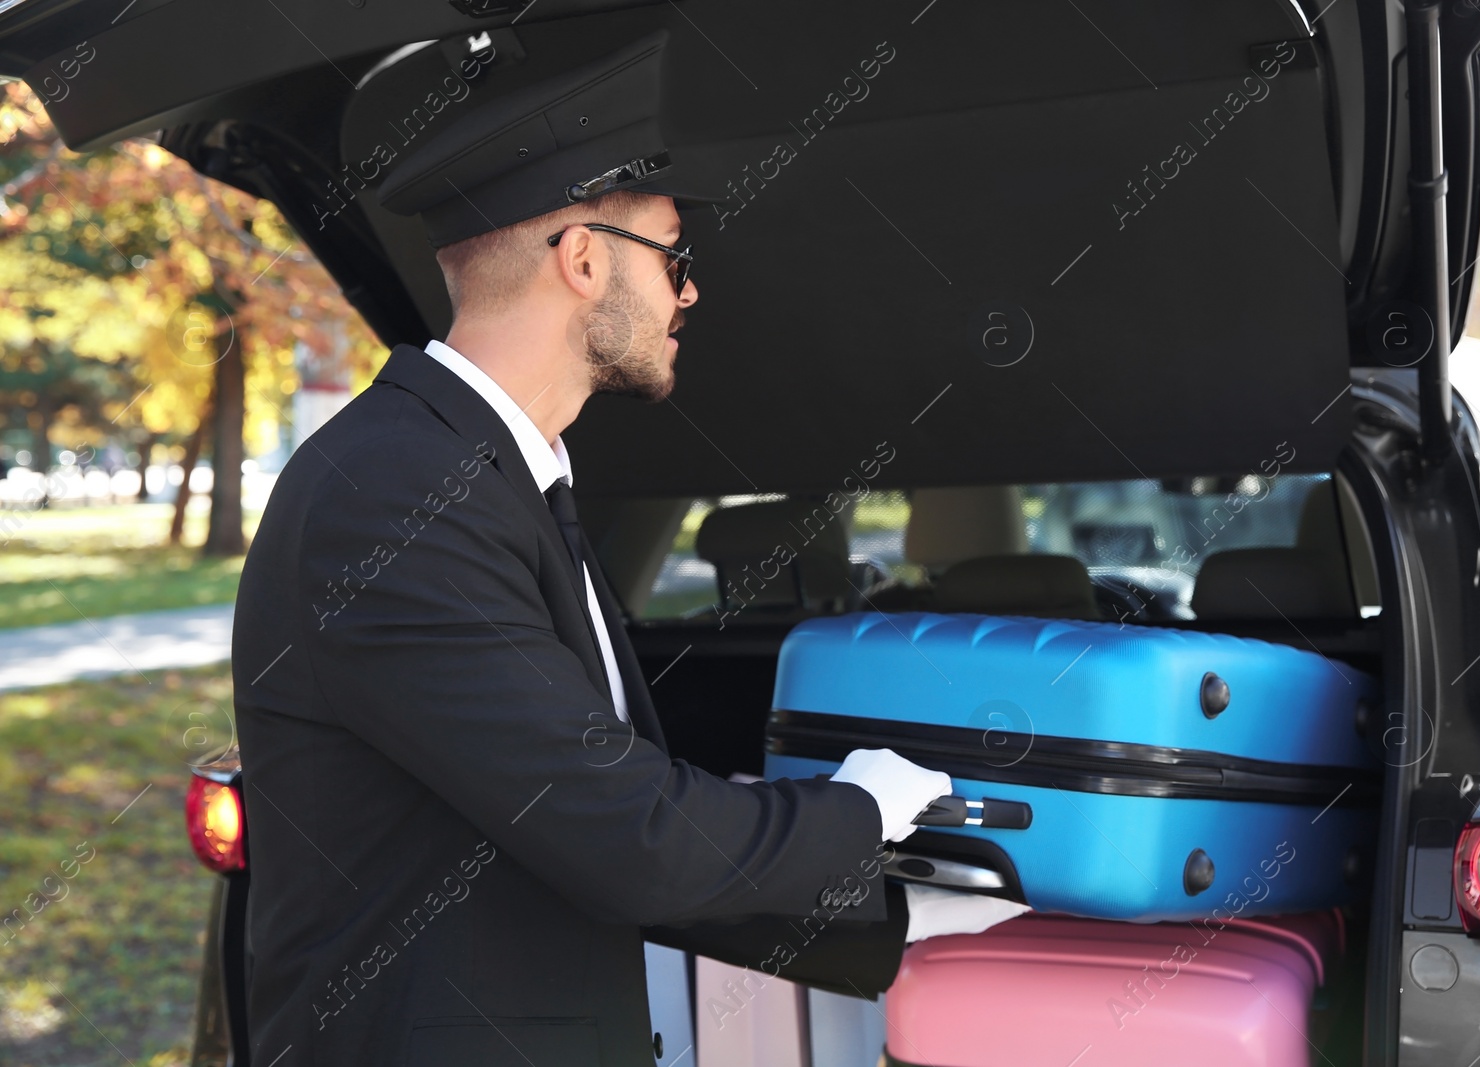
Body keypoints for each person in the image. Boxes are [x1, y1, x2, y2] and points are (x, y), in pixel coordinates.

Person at [232, 29, 1025, 1067]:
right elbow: (627, 838)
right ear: (585, 258)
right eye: (675, 257)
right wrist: (859, 807)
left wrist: (903, 923)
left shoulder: (493, 478)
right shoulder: (396, 493)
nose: (689, 293)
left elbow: (579, 833)